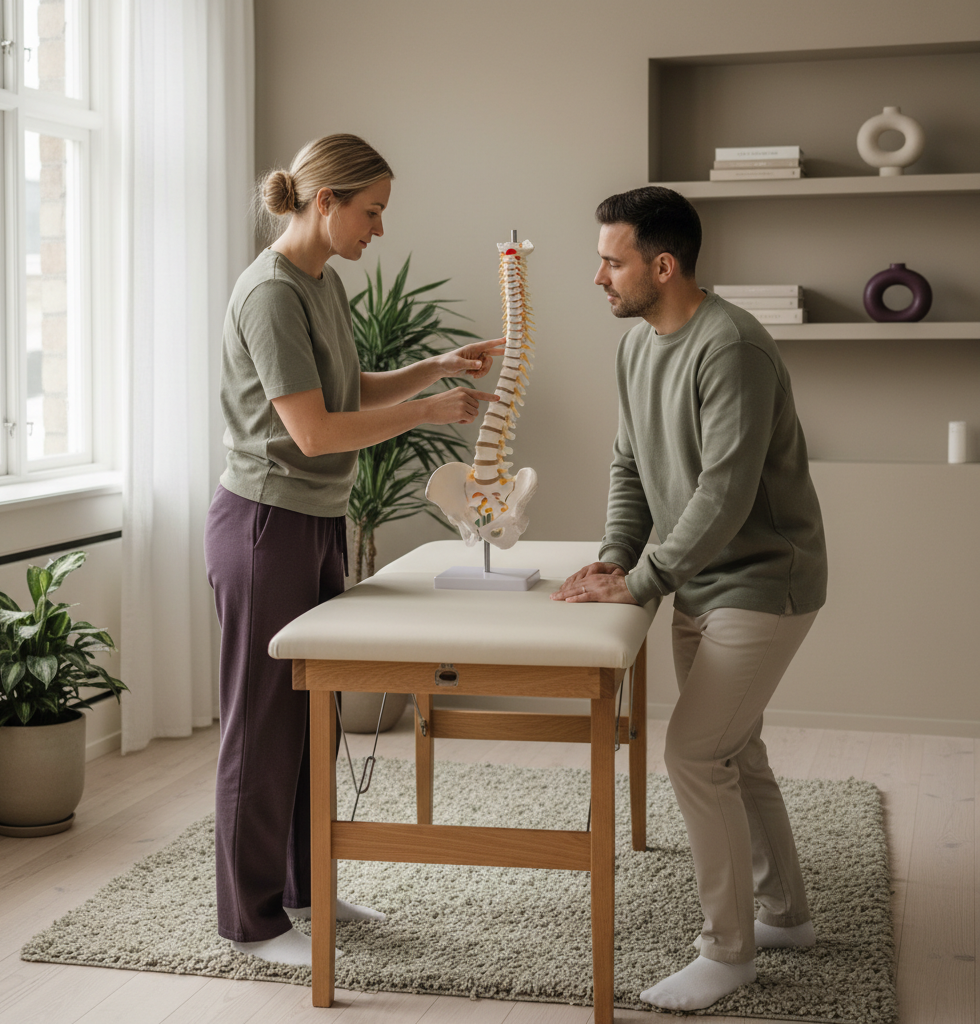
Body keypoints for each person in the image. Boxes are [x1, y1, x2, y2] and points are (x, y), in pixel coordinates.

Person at [204, 133, 501, 967]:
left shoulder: (321, 282)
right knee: (261, 726)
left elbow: (344, 391)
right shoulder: (271, 293)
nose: (378, 229)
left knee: (311, 714)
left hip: (311, 519)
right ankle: (252, 923)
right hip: (265, 525)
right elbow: (313, 431)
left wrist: (435, 369)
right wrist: (429, 414)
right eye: (371, 212)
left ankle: (305, 888)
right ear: (325, 201)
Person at [552, 186, 827, 1011]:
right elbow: (629, 465)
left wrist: (641, 584)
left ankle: (728, 953)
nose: (599, 276)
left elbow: (725, 494)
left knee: (695, 755)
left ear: (663, 265)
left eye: (612, 261)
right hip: (697, 580)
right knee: (735, 751)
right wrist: (614, 558)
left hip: (763, 581)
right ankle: (785, 915)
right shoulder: (638, 348)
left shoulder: (731, 347)